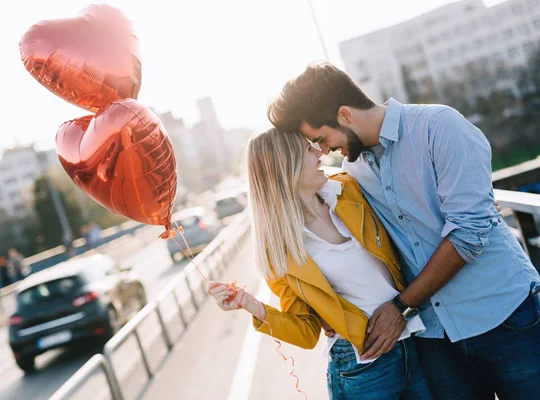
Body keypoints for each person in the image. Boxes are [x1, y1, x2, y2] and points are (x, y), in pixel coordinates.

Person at [267, 61, 540, 399]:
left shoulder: (440, 127)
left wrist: (400, 306)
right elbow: (332, 229)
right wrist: (326, 308)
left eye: (322, 139)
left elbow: (468, 233)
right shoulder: (353, 172)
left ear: (345, 115)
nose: (323, 151)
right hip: (437, 341)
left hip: (504, 315)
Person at [208, 128, 433, 399]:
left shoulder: (348, 190)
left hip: (412, 340)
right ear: (284, 167)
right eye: (307, 150)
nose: (319, 152)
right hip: (360, 367)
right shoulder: (280, 249)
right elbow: (305, 332)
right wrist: (251, 305)